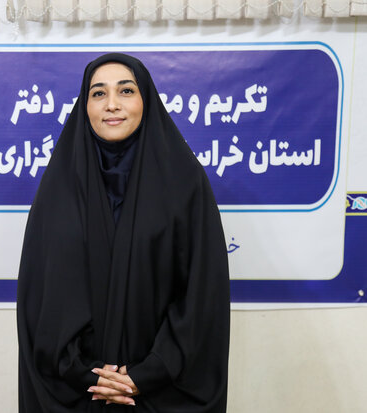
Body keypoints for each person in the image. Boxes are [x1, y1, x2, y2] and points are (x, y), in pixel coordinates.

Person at [17, 53, 230, 412]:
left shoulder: (184, 184)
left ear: (147, 100)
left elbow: (201, 293)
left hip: (162, 388)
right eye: (98, 93)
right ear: (85, 106)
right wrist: (86, 374)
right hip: (78, 390)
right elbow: (40, 299)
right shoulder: (59, 188)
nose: (112, 104)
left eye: (126, 91)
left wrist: (146, 375)